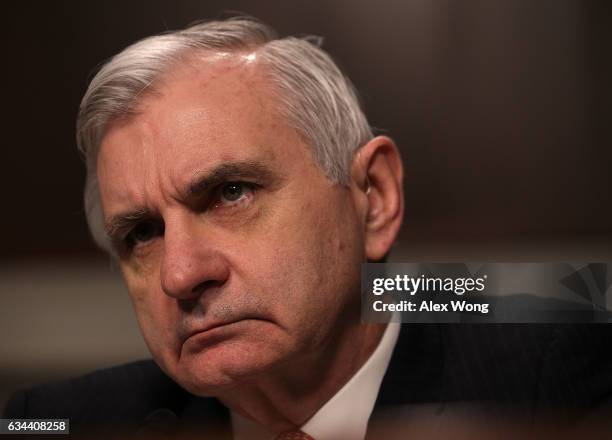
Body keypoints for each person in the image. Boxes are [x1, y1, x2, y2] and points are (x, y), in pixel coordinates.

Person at [4, 16, 612, 439]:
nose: (182, 274)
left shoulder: (569, 377)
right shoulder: (51, 421)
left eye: (230, 193)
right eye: (141, 233)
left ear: (373, 198)